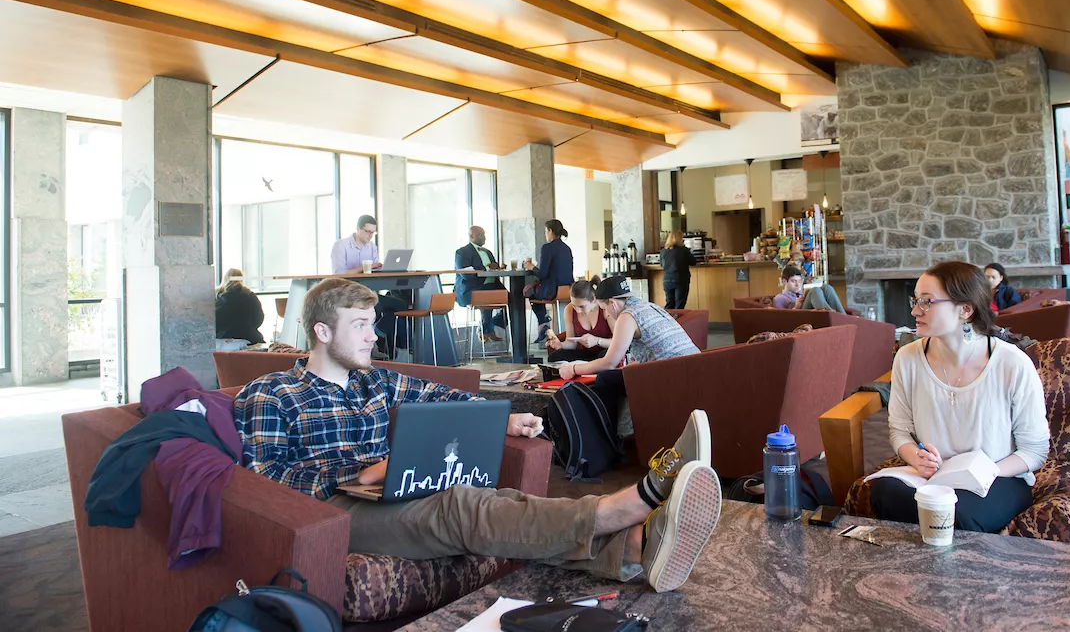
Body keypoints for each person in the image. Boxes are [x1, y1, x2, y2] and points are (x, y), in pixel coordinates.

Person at [234, 277, 722, 593]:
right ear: (321, 332)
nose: (372, 337)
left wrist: (504, 419)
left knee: (493, 500)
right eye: (360, 326)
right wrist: (359, 475)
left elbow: (447, 398)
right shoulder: (272, 394)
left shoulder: (377, 380)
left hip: (388, 492)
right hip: (332, 512)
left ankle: (633, 547)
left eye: (371, 325)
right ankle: (629, 505)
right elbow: (264, 483)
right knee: (459, 507)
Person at [869, 261, 1050, 533]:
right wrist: (916, 457)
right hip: (933, 478)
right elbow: (900, 431)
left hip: (999, 477)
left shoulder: (1012, 363)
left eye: (927, 302)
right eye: (915, 300)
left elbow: (1034, 451)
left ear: (965, 310)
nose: (915, 310)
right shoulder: (907, 358)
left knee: (957, 513)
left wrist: (984, 472)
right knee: (884, 493)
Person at [559, 275, 700, 425]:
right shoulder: (648, 306)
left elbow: (609, 363)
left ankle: (610, 436)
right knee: (616, 375)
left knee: (605, 379)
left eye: (604, 309)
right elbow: (649, 355)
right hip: (694, 368)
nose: (606, 314)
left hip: (671, 376)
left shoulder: (627, 317)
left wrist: (573, 369)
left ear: (612, 303)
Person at [330, 214, 406, 356]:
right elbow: (338, 273)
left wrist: (382, 269)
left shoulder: (371, 247)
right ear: (358, 229)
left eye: (373, 232)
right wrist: (364, 267)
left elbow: (374, 271)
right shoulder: (341, 245)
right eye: (368, 231)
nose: (370, 235)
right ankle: (378, 337)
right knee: (376, 307)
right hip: (348, 294)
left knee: (402, 305)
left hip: (368, 293)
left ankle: (379, 332)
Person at [523, 219, 573, 344]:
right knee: (534, 291)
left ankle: (544, 323)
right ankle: (544, 324)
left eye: (546, 231)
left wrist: (531, 267)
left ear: (550, 231)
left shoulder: (547, 248)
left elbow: (543, 274)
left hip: (552, 290)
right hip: (567, 290)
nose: (545, 234)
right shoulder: (567, 248)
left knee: (529, 292)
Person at [454, 226, 507, 343]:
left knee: (515, 299)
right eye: (480, 235)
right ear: (471, 236)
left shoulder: (487, 252)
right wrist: (487, 267)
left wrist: (499, 268)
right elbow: (466, 274)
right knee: (486, 296)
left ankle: (491, 324)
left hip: (492, 287)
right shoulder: (462, 252)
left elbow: (493, 269)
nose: (484, 237)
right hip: (472, 289)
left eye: (484, 234)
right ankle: (486, 328)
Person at [546, 277, 612, 363]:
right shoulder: (569, 310)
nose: (578, 310)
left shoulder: (605, 309)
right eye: (574, 305)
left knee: (604, 356)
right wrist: (560, 344)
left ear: (594, 299)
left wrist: (597, 341)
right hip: (585, 354)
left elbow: (619, 342)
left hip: (605, 351)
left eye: (582, 306)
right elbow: (571, 343)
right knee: (555, 357)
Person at [214, 268, 265, 345]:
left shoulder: (216, 295)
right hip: (248, 338)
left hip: (222, 340)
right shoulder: (249, 295)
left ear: (224, 278)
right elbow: (258, 318)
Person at [772, 265, 846, 312]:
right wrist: (795, 308)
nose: (798, 285)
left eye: (799, 281)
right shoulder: (779, 298)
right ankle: (831, 316)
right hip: (800, 318)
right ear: (784, 281)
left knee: (826, 287)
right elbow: (782, 321)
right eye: (793, 281)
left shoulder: (801, 293)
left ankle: (844, 318)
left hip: (811, 313)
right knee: (815, 291)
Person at [659, 230, 696, 310]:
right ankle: (677, 322)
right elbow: (693, 262)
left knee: (669, 304)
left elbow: (661, 265)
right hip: (680, 280)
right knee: (679, 306)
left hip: (666, 280)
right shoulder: (683, 250)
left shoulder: (663, 251)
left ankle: (666, 321)